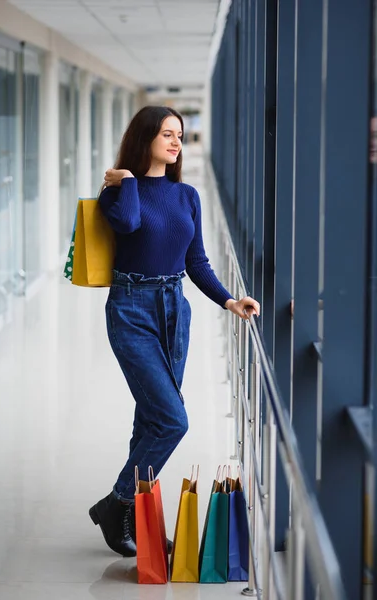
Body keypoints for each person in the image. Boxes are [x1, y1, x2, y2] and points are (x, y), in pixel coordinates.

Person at [89, 106, 260, 557]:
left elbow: (195, 261)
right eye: (166, 133)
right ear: (145, 137)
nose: (175, 142)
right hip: (131, 309)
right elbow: (126, 223)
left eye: (179, 135)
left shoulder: (187, 197)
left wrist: (228, 299)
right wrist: (126, 179)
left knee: (149, 418)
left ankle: (132, 519)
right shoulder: (117, 192)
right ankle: (117, 503)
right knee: (171, 419)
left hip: (173, 311)